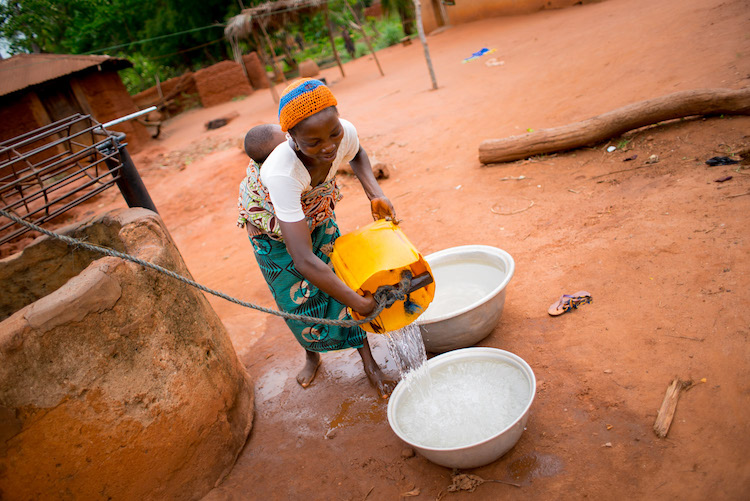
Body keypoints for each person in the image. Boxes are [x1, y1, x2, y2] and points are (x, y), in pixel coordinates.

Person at [237, 78, 397, 398]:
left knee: (341, 280)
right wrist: (361, 304)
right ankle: (312, 354)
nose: (328, 146)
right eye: (313, 142)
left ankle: (369, 364)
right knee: (295, 300)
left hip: (314, 210)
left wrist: (374, 193)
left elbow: (357, 153)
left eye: (333, 133)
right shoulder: (283, 172)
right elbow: (304, 259)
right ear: (291, 139)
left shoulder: (342, 132)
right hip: (273, 233)